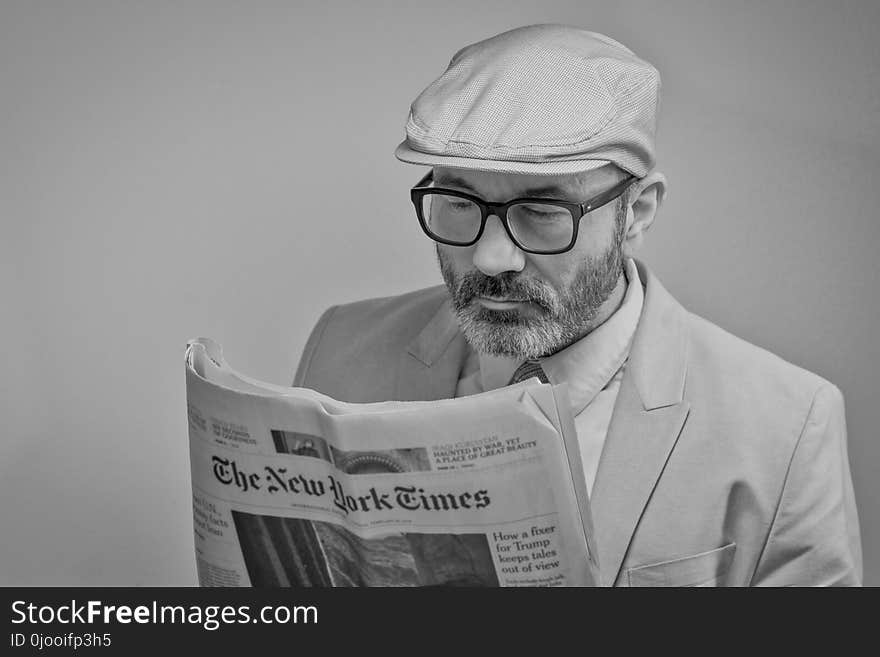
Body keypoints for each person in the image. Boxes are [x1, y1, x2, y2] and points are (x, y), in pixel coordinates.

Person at [293, 24, 862, 586]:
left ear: (635, 213)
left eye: (542, 211)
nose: (493, 259)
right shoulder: (340, 349)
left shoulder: (788, 426)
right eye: (459, 202)